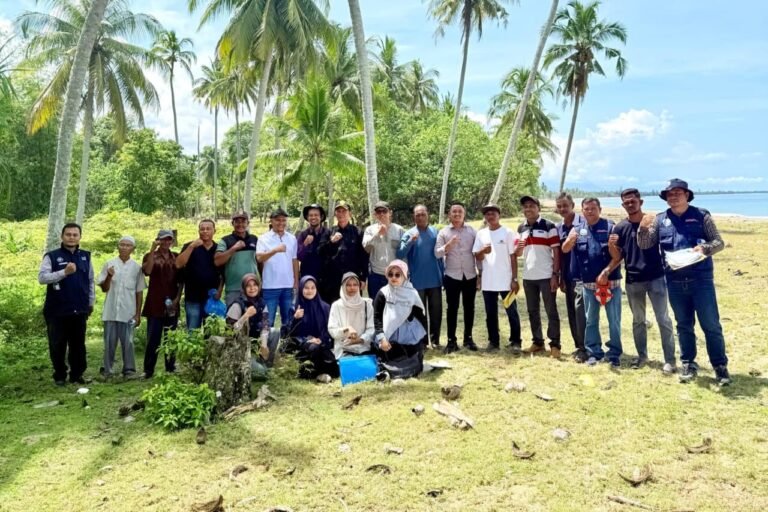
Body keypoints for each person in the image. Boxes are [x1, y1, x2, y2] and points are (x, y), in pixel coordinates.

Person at [637, 179, 731, 385]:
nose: (673, 196)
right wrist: (642, 229)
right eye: (669, 194)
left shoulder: (702, 216)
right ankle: (688, 364)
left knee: (711, 325)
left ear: (687, 195)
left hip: (701, 279)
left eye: (677, 193)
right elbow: (645, 244)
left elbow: (719, 242)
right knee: (683, 325)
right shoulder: (660, 220)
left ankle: (720, 366)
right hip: (675, 280)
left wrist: (705, 248)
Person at [611, 188, 676, 373]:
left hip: (656, 277)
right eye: (626, 203)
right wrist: (611, 245)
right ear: (623, 205)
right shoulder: (620, 228)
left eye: (633, 201)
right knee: (638, 321)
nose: (630, 205)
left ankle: (670, 360)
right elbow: (617, 256)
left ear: (640, 202)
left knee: (663, 319)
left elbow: (666, 245)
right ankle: (642, 356)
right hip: (633, 280)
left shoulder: (653, 222)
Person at [562, 198, 623, 367]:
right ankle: (594, 352)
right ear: (582, 211)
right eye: (586, 209)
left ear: (600, 209)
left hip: (610, 283)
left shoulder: (610, 227)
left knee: (614, 321)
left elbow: (618, 256)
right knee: (590, 320)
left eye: (593, 208)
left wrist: (606, 271)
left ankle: (614, 353)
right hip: (588, 285)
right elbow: (565, 249)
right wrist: (569, 241)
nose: (590, 211)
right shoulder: (577, 229)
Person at [38, 222, 95, 386]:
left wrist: (91, 302)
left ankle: (77, 375)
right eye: (68, 234)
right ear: (62, 237)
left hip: (80, 309)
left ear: (80, 237)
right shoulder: (51, 256)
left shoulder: (86, 256)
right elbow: (42, 278)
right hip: (57, 310)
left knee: (78, 344)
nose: (71, 237)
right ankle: (60, 375)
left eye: (75, 235)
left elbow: (90, 280)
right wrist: (64, 272)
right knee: (57, 344)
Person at [517, 196, 562, 358]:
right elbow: (519, 253)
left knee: (551, 311)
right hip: (528, 277)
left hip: (546, 275)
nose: (528, 209)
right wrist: (518, 249)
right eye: (525, 206)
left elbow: (556, 252)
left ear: (538, 208)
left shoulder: (549, 226)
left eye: (531, 205)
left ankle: (555, 344)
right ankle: (538, 342)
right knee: (532, 311)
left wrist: (555, 275)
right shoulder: (521, 228)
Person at [473, 204, 521, 352]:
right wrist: (483, 251)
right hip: (488, 281)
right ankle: (493, 342)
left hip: (506, 281)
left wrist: (514, 279)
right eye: (487, 214)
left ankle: (516, 341)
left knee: (512, 311)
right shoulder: (481, 234)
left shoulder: (507, 232)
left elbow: (513, 257)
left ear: (499, 215)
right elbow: (477, 256)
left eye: (493, 213)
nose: (490, 216)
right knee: (490, 313)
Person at [97, 236, 145, 379]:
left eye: (128, 245)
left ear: (133, 249)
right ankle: (107, 370)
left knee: (128, 342)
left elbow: (139, 292)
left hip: (128, 312)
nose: (124, 247)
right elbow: (104, 288)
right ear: (118, 247)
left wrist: (138, 314)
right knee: (109, 342)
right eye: (122, 244)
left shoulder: (137, 268)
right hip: (111, 311)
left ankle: (129, 370)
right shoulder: (109, 264)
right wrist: (109, 276)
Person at [397, 204, 444, 350]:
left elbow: (441, 255)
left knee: (436, 311)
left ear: (427, 215)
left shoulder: (435, 232)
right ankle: (422, 342)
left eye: (423, 214)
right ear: (414, 217)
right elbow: (400, 254)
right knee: (419, 313)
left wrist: (443, 275)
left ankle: (435, 340)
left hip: (435, 279)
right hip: (417, 281)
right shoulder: (409, 233)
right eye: (417, 215)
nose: (420, 217)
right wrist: (411, 242)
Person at [435, 201, 478, 353]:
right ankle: (451, 341)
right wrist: (449, 245)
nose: (457, 214)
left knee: (469, 307)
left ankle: (468, 338)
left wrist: (480, 274)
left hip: (470, 275)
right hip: (452, 276)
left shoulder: (472, 231)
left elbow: (477, 253)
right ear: (449, 214)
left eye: (460, 211)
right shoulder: (444, 232)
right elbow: (437, 253)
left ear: (464, 214)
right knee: (452, 308)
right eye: (454, 211)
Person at [372, 260, 427, 377]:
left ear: (405, 276)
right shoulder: (383, 293)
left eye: (397, 275)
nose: (393, 277)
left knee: (412, 359)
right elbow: (377, 318)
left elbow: (421, 317)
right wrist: (382, 339)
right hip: (387, 336)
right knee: (389, 359)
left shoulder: (412, 293)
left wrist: (424, 340)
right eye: (390, 274)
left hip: (408, 335)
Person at [141, 230, 182, 379]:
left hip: (172, 302)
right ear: (158, 240)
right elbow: (147, 270)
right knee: (153, 338)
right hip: (155, 302)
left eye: (169, 240)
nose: (166, 242)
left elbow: (181, 280)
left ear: (172, 241)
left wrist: (178, 298)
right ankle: (148, 370)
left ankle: (170, 367)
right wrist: (152, 250)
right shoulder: (150, 255)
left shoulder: (176, 256)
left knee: (171, 337)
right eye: (163, 239)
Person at [555, 193, 587, 362]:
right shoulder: (558, 228)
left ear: (572, 205)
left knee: (582, 314)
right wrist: (560, 277)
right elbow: (560, 255)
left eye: (565, 205)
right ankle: (579, 346)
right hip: (567, 276)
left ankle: (586, 348)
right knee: (572, 313)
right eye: (559, 206)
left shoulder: (584, 223)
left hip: (582, 277)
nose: (562, 209)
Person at [256, 208, 299, 334]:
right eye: (278, 220)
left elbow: (294, 260)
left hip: (287, 286)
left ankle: (288, 344)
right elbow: (259, 258)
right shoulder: (263, 238)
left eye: (283, 220)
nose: (281, 223)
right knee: (268, 321)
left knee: (289, 320)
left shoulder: (292, 238)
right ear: (271, 221)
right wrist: (275, 250)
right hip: (270, 286)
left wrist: (296, 281)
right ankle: (267, 344)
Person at [176, 219, 223, 330]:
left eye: (208, 229)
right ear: (198, 231)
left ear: (214, 231)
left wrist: (220, 291)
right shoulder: (189, 246)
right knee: (193, 331)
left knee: (210, 332)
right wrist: (191, 247)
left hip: (211, 298)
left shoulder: (219, 249)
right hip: (193, 297)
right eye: (202, 229)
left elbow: (223, 273)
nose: (205, 231)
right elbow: (178, 264)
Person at [318, 201, 368, 304]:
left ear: (350, 214)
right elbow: (320, 252)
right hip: (333, 280)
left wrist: (363, 278)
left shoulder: (358, 232)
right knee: (334, 308)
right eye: (338, 211)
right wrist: (331, 242)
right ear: (335, 214)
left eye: (344, 211)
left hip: (352, 279)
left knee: (353, 307)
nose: (341, 214)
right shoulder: (328, 232)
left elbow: (364, 256)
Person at [226, 273, 280, 370]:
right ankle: (260, 368)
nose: (252, 288)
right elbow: (230, 332)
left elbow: (265, 325)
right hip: (241, 346)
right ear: (244, 288)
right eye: (248, 286)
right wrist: (245, 316)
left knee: (275, 332)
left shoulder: (261, 303)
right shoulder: (237, 305)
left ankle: (266, 363)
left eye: (255, 285)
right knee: (260, 371)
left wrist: (263, 345)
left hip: (256, 342)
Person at [290, 276, 338, 380]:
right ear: (301, 289)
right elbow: (290, 334)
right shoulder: (295, 308)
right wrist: (295, 318)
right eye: (306, 288)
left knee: (334, 366)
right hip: (303, 346)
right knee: (314, 349)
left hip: (321, 343)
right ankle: (317, 374)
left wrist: (320, 339)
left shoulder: (325, 307)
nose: (310, 291)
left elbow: (329, 329)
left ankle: (318, 373)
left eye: (313, 288)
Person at [215, 210, 259, 307]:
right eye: (237, 222)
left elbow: (260, 262)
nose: (240, 224)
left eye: (243, 221)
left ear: (248, 223)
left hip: (252, 288)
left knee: (252, 315)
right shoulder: (225, 240)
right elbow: (217, 261)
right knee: (233, 315)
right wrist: (234, 248)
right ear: (232, 223)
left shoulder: (254, 239)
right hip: (233, 289)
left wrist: (261, 283)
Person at [328, 272, 375, 360]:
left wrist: (360, 339)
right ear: (343, 287)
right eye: (348, 285)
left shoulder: (366, 305)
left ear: (359, 286)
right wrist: (347, 330)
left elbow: (371, 328)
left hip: (363, 349)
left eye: (355, 285)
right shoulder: (336, 305)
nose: (352, 288)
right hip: (343, 350)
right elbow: (332, 330)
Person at [363, 201, 404, 299]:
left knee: (395, 305)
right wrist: (377, 234)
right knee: (376, 305)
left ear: (390, 212)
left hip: (395, 275)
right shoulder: (369, 230)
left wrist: (404, 274)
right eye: (378, 212)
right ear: (375, 215)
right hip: (376, 275)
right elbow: (366, 249)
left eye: (384, 211)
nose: (381, 214)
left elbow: (404, 253)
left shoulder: (399, 230)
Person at [297, 203, 330, 281]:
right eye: (311, 215)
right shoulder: (303, 235)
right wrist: (305, 244)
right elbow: (298, 256)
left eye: (316, 215)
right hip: (307, 278)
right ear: (307, 217)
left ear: (321, 217)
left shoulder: (328, 233)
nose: (313, 217)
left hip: (326, 278)